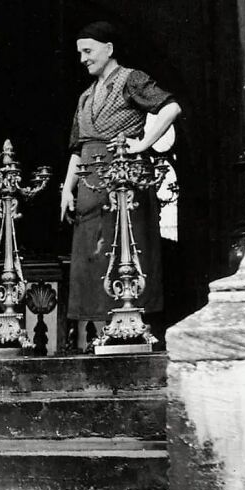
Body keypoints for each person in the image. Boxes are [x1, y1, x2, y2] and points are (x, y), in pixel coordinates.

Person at [60, 22, 181, 347]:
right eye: (80, 53)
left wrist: (143, 144)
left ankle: (132, 329)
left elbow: (171, 107)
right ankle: (103, 336)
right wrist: (66, 188)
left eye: (88, 51)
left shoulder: (131, 79)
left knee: (126, 249)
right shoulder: (85, 96)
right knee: (93, 256)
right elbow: (77, 146)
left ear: (109, 49)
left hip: (123, 177)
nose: (83, 59)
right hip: (89, 181)